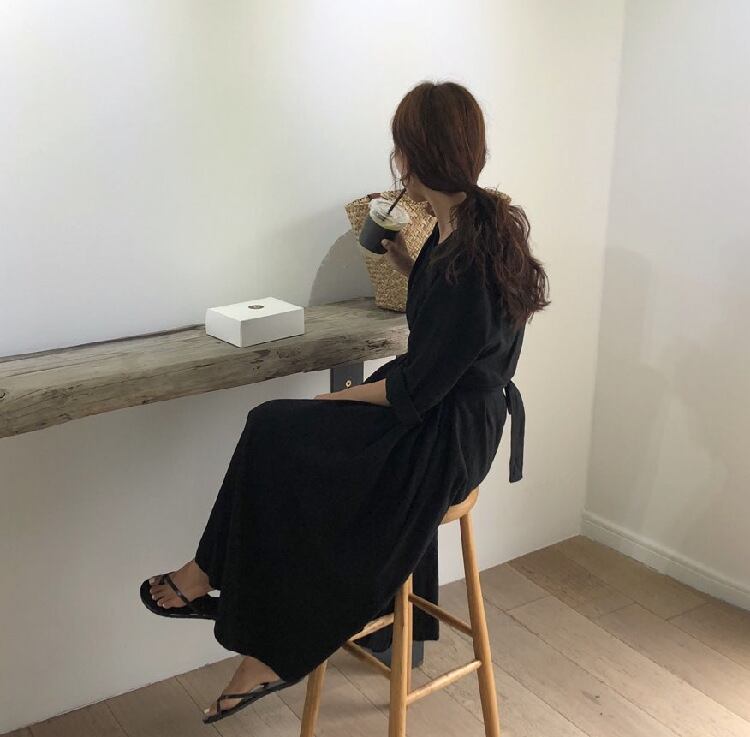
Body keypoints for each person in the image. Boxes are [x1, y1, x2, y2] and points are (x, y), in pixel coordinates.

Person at [140, 80, 550, 723]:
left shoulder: (470, 256)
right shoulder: (467, 224)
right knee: (277, 433)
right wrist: (406, 262)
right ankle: (212, 581)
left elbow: (415, 390)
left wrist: (340, 401)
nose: (397, 160)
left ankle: (268, 640)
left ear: (414, 155)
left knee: (276, 429)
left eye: (401, 147)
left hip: (445, 438)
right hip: (441, 409)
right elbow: (448, 327)